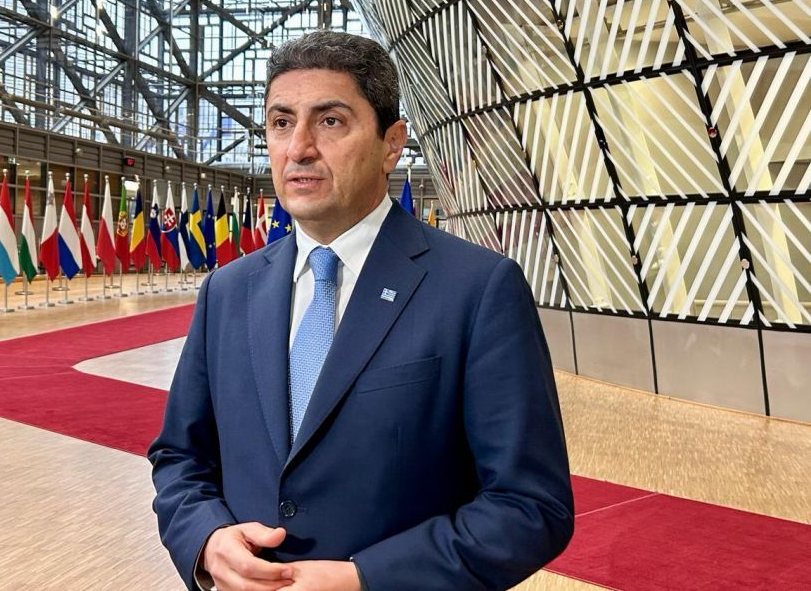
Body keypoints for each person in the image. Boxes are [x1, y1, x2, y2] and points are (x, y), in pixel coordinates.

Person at [148, 31, 573, 591]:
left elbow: (529, 507)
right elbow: (180, 456)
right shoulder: (228, 291)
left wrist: (364, 579)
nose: (298, 148)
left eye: (330, 121)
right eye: (281, 123)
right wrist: (207, 539)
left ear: (391, 144)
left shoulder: (477, 289)